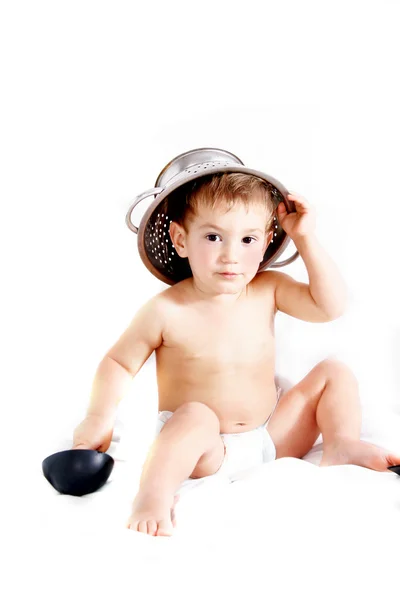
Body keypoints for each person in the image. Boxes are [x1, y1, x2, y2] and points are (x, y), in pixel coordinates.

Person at [72, 173, 400, 537]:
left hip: (271, 436)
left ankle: (341, 445)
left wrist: (305, 239)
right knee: (196, 415)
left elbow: (330, 306)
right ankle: (153, 495)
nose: (231, 255)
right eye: (213, 237)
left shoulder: (268, 289)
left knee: (334, 372)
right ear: (181, 240)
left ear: (266, 244)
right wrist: (98, 417)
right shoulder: (167, 310)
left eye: (247, 239)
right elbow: (119, 362)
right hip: (203, 451)